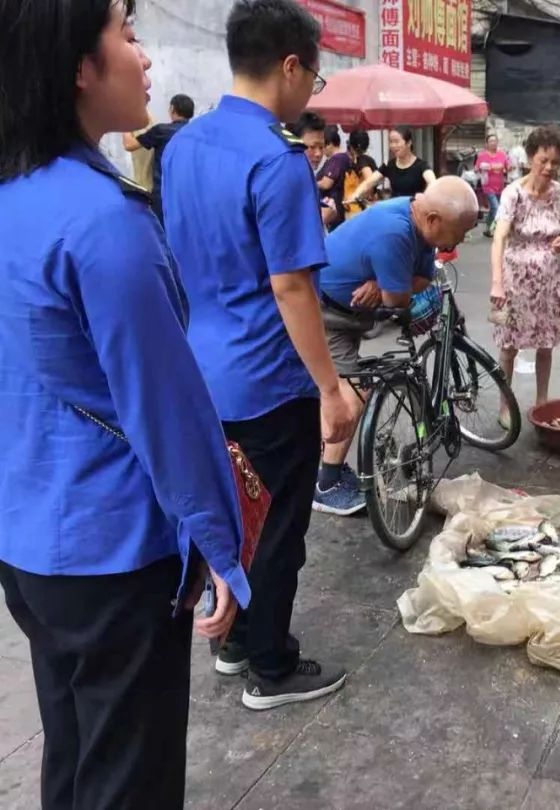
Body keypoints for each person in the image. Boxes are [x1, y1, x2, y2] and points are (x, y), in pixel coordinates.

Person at [0, 2, 248, 806]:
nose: (144, 58)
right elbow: (168, 410)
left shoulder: (15, 197)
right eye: (127, 35)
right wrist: (221, 545)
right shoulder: (105, 222)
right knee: (128, 780)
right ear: (80, 66)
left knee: (75, 754)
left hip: (29, 539)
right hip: (113, 551)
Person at [163, 0, 360, 711]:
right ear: (290, 65)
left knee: (231, 515)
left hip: (203, 371)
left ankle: (235, 641)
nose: (311, 90)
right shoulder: (278, 160)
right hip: (269, 379)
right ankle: (271, 667)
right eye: (314, 75)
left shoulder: (182, 146)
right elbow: (291, 285)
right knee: (277, 528)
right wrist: (331, 388)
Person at [314, 177, 478, 515]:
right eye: (459, 233)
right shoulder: (395, 233)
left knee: (347, 386)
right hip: (328, 314)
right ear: (433, 219)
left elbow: (423, 277)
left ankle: (323, 457)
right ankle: (326, 484)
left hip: (351, 312)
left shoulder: (419, 221)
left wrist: (383, 282)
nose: (460, 241)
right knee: (352, 394)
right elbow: (397, 299)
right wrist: (389, 285)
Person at [490, 125, 560, 421]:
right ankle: (505, 406)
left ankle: (542, 403)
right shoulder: (513, 193)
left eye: (555, 162)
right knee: (509, 345)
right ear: (529, 158)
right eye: (543, 160)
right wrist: (497, 283)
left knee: (545, 344)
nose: (549, 167)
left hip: (549, 280)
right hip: (514, 280)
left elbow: (557, 231)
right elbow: (499, 237)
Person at [122, 92, 194, 223]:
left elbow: (129, 145)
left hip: (163, 196)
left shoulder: (161, 131)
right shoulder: (197, 133)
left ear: (172, 108)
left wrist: (124, 122)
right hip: (188, 195)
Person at [352, 125, 436, 200]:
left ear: (408, 143)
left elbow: (433, 183)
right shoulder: (389, 165)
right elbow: (369, 182)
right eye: (391, 142)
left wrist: (424, 198)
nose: (393, 145)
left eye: (396, 142)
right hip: (395, 209)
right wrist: (355, 194)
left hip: (414, 209)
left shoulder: (421, 165)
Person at [317, 123, 350, 231]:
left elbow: (326, 183)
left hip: (334, 207)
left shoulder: (337, 159)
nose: (321, 152)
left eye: (323, 147)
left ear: (330, 144)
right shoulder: (342, 158)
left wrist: (311, 183)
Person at [478, 133, 509, 237]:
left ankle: (488, 228)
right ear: (487, 143)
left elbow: (507, 167)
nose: (493, 143)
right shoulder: (482, 155)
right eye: (491, 141)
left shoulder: (502, 154)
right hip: (487, 186)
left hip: (499, 186)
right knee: (496, 207)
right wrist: (489, 167)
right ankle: (496, 230)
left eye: (495, 141)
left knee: (493, 209)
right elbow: (477, 168)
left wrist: (508, 166)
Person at [342, 129, 377, 220]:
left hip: (358, 210)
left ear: (351, 145)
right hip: (361, 209)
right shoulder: (369, 160)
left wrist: (359, 195)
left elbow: (370, 180)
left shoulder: (362, 160)